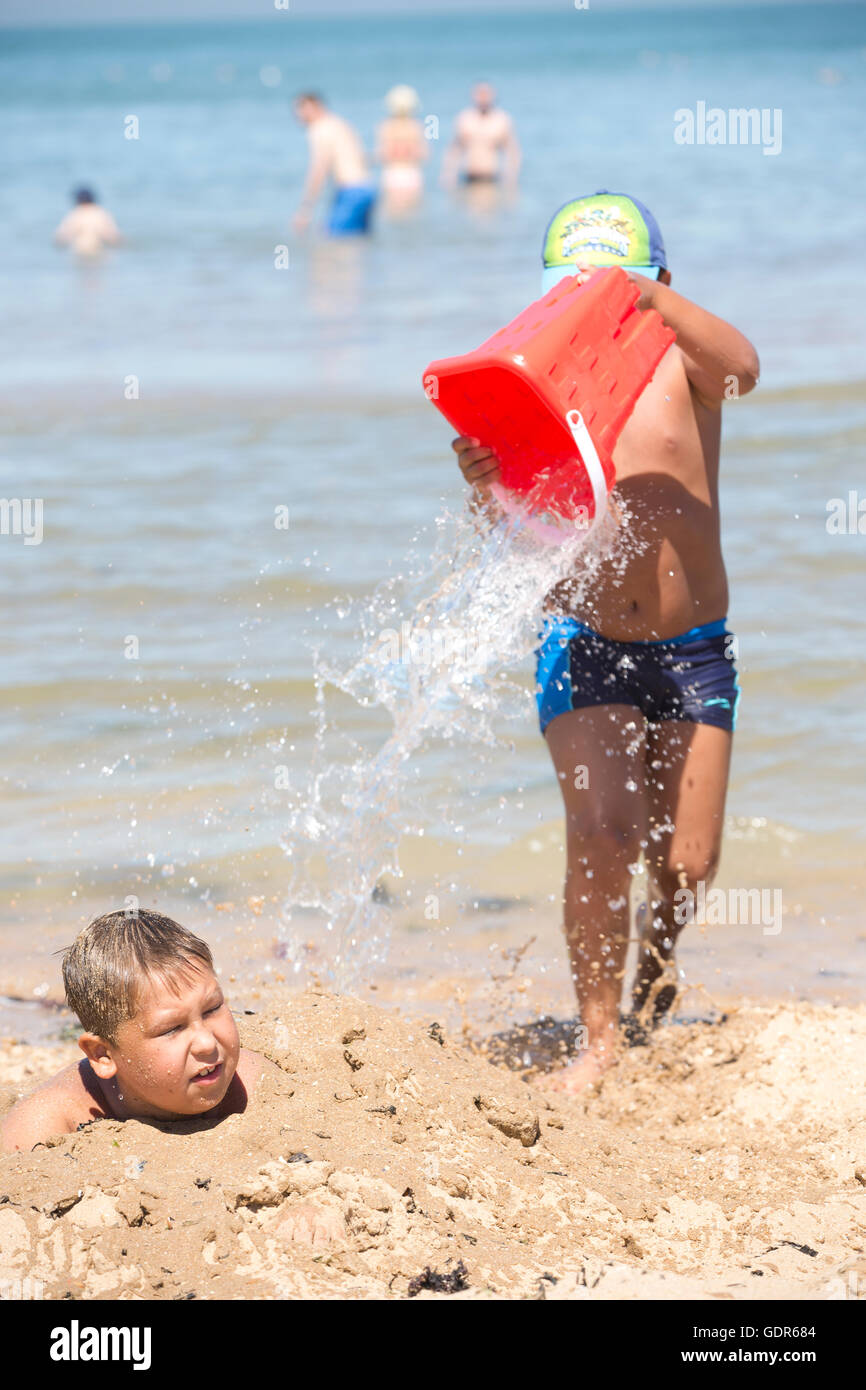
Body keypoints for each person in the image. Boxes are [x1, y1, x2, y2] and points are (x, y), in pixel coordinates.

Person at [451, 191, 759, 1093]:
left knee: (689, 862)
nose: (592, 304)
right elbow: (514, 536)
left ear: (655, 284)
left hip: (694, 647)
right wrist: (485, 482)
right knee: (603, 832)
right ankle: (597, 1041)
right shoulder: (543, 380)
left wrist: (653, 306)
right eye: (575, 289)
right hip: (583, 642)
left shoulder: (685, 366)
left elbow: (745, 368)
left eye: (614, 289)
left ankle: (656, 977)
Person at [0, 909, 284, 1151]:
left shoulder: (254, 1083)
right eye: (172, 1028)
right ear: (103, 1055)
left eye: (212, 1009)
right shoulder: (47, 1126)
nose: (207, 1043)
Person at [292, 92, 377, 237]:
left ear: (315, 107)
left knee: (333, 241)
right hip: (368, 188)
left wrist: (305, 210)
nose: (299, 115)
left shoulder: (320, 128)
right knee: (358, 242)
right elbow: (362, 157)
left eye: (302, 110)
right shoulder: (338, 123)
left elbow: (319, 168)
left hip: (351, 191)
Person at [442, 82, 520, 189]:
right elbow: (454, 150)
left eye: (486, 94)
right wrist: (448, 175)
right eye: (480, 94)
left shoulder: (501, 120)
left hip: (491, 177)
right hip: (469, 176)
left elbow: (512, 151)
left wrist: (511, 178)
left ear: (493, 96)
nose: (483, 98)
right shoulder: (465, 119)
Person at [375, 84, 427, 213]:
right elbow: (424, 154)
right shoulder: (416, 126)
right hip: (411, 173)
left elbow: (382, 154)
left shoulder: (385, 126)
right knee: (413, 213)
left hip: (392, 173)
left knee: (393, 213)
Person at [53, 187, 122, 257]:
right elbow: (114, 237)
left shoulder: (75, 214)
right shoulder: (101, 213)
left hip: (79, 252)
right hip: (99, 251)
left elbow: (61, 237)